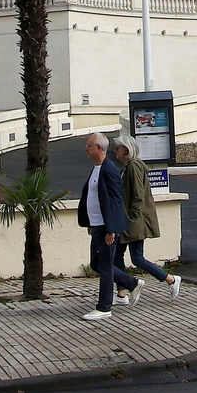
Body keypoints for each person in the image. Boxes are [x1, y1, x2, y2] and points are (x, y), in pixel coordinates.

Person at [75, 132, 139, 321]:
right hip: (97, 225)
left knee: (104, 266)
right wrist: (90, 223)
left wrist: (111, 229)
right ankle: (132, 283)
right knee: (96, 263)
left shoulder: (109, 169)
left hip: (106, 227)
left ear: (99, 148)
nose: (86, 149)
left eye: (89, 146)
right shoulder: (96, 168)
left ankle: (104, 307)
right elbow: (94, 198)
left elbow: (115, 200)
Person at [113, 136, 179, 301]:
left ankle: (170, 279)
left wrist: (132, 216)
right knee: (117, 255)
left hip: (134, 220)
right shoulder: (127, 167)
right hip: (129, 219)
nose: (115, 151)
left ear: (126, 150)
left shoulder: (133, 167)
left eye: (117, 148)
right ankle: (121, 293)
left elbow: (138, 194)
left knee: (137, 258)